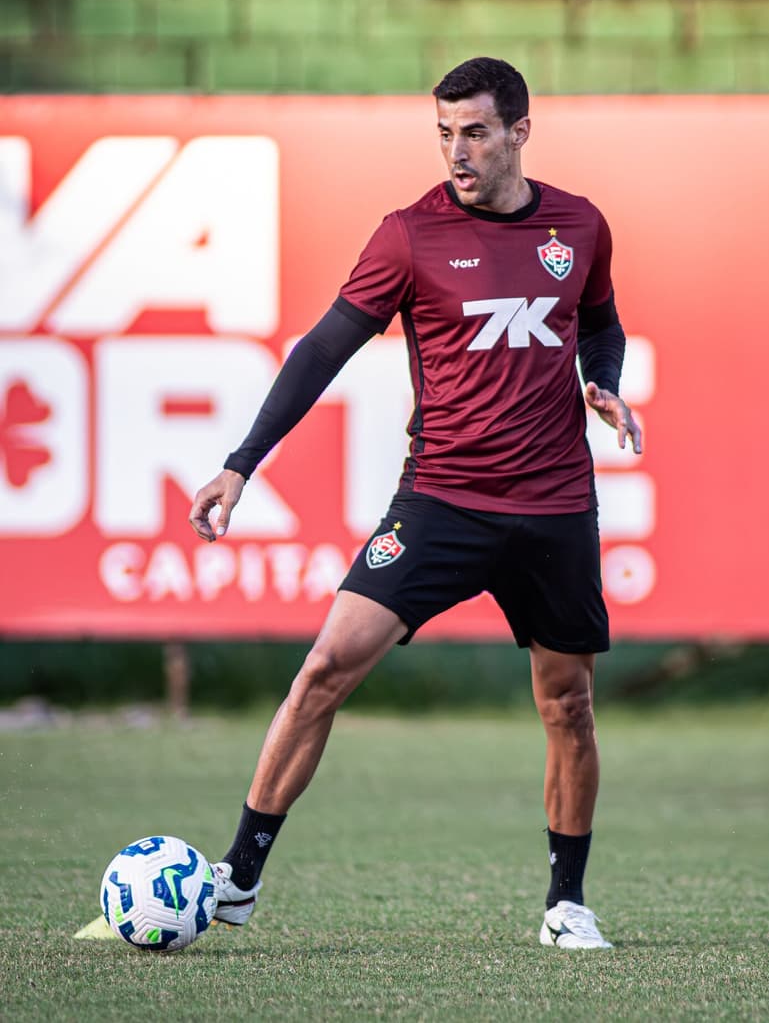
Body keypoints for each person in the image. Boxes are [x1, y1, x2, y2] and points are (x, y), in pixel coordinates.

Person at [189, 57, 642, 951]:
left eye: (474, 132)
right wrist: (242, 465)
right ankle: (237, 878)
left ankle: (566, 904)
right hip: (441, 499)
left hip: (554, 505)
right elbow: (320, 351)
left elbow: (602, 320)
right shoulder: (409, 236)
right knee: (324, 668)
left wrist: (605, 382)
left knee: (569, 706)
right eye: (443, 134)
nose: (457, 153)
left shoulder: (580, 224)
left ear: (519, 131)